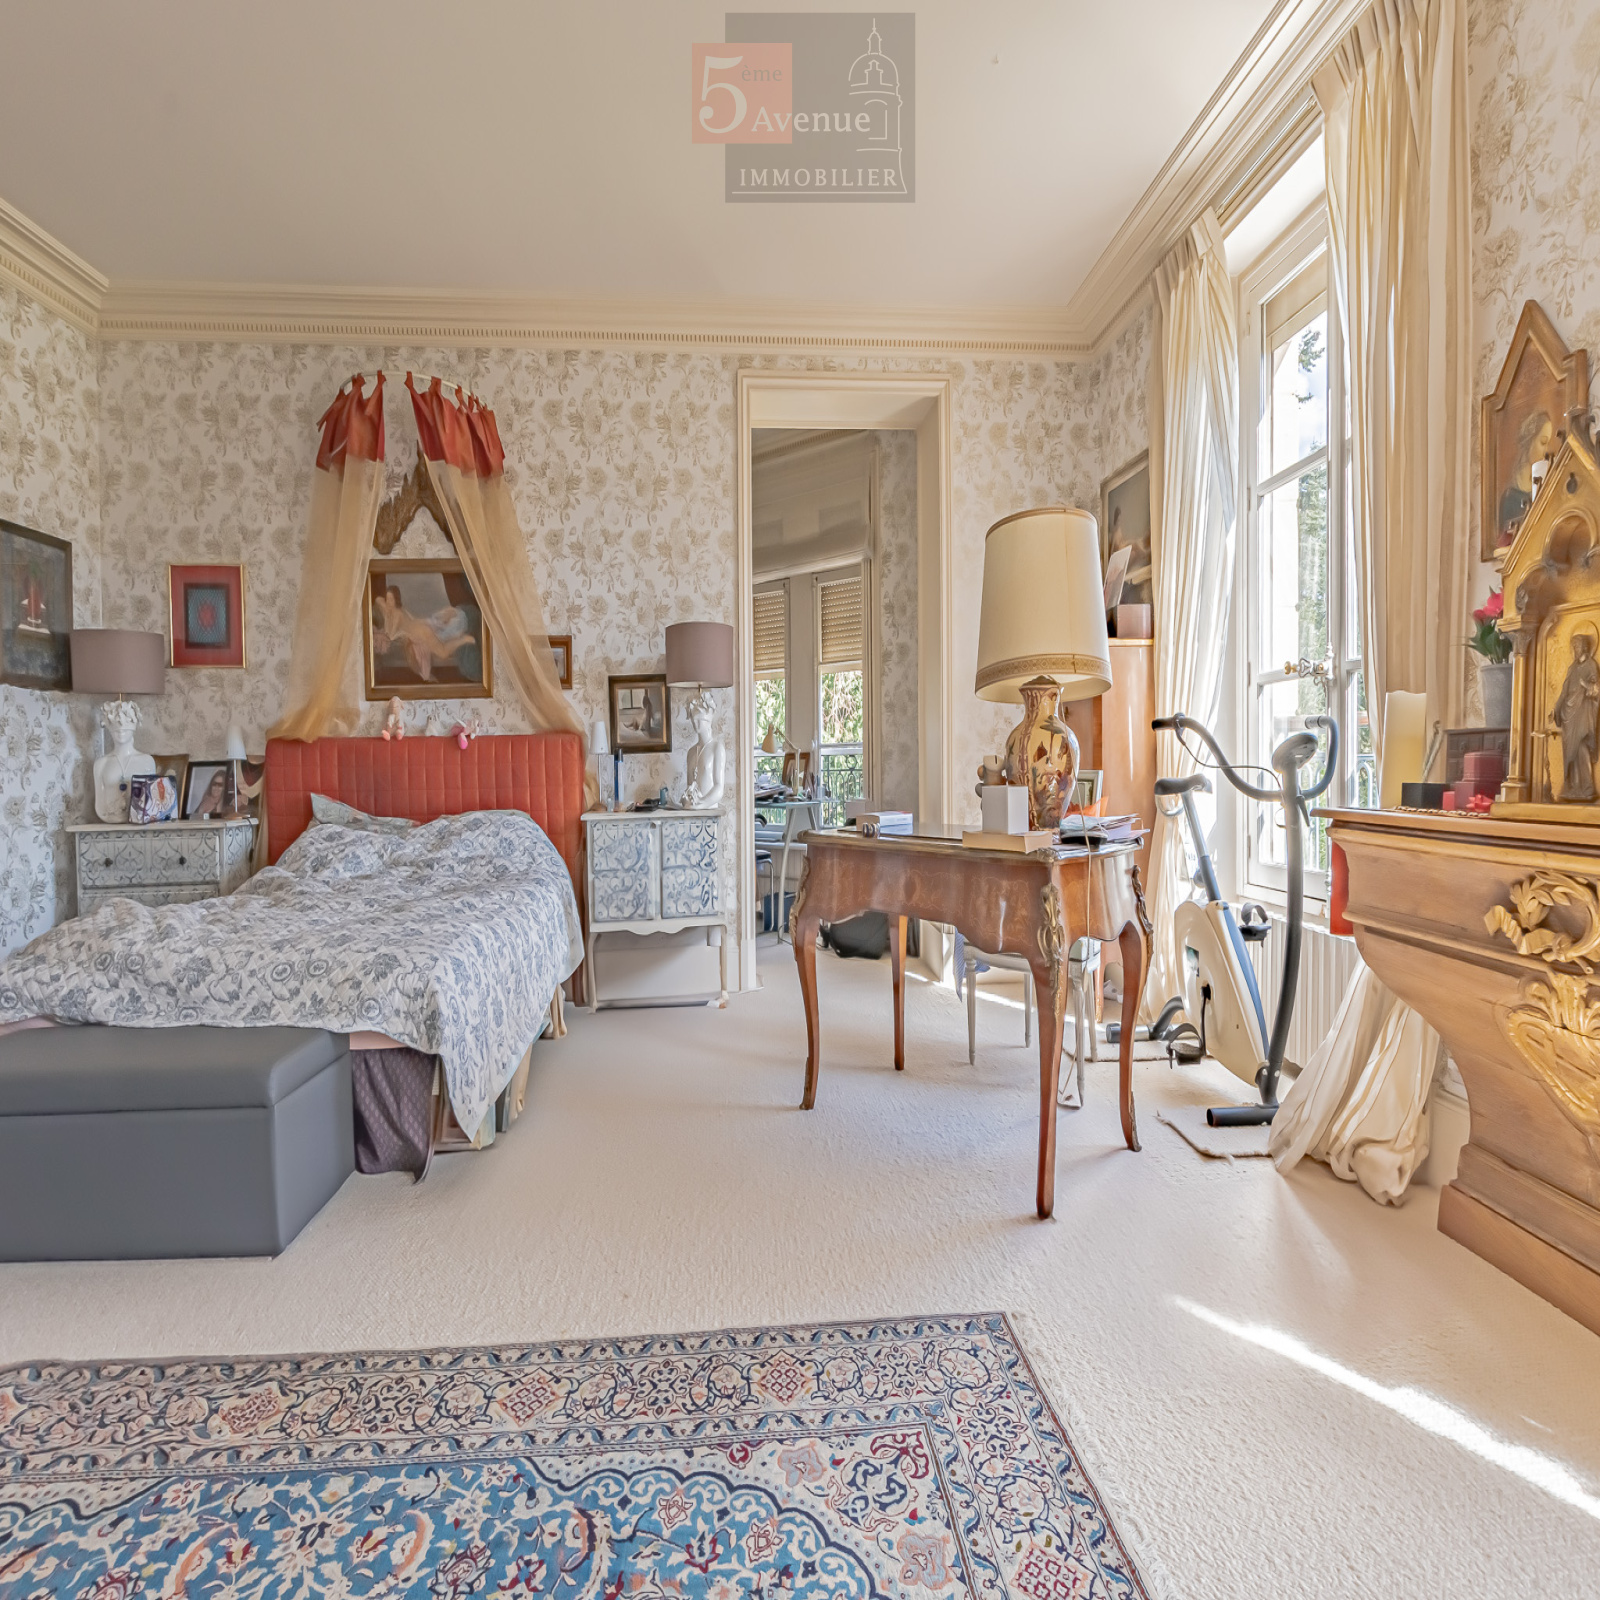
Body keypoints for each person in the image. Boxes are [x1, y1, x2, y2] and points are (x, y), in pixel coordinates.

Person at [1551, 625, 1600, 801]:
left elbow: (1596, 689)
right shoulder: (1572, 668)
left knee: (1582, 747)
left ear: (1585, 647)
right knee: (1570, 753)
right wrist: (1556, 709)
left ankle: (1587, 787)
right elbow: (1564, 691)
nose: (1575, 649)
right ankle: (1573, 786)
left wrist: (1586, 685)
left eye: (1577, 646)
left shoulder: (1591, 665)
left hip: (1584, 714)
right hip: (1569, 716)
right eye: (1573, 646)